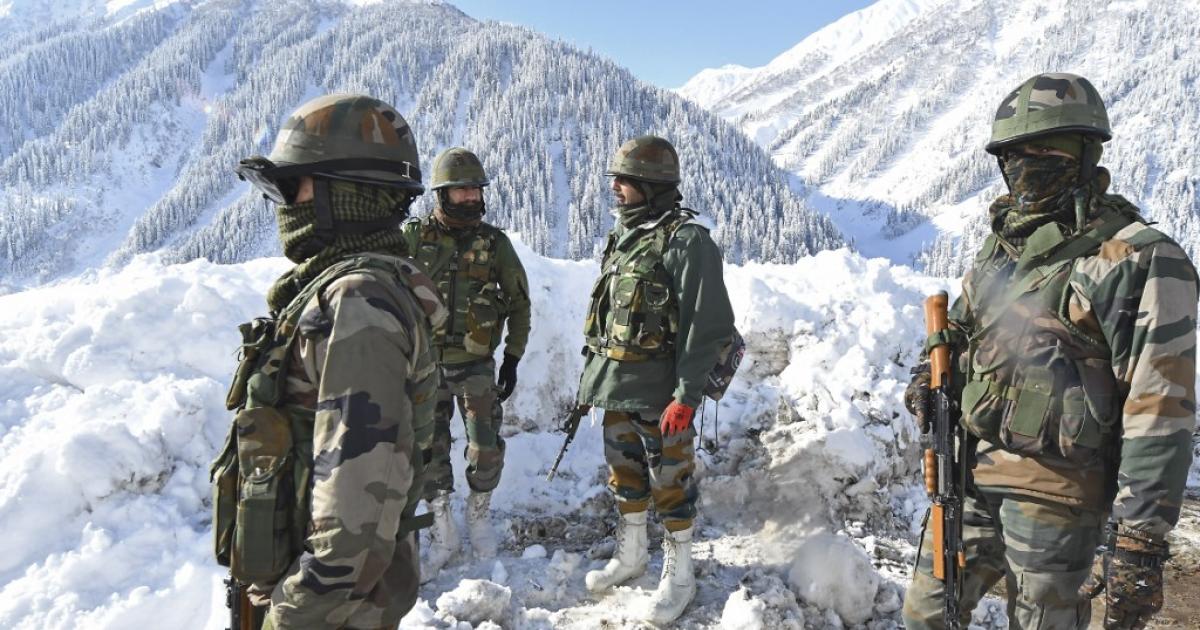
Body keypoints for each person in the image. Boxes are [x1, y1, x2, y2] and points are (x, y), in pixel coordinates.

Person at [902, 73, 1197, 630]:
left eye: (1046, 150)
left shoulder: (1137, 258)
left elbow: (1160, 406)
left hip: (1059, 495)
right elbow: (959, 328)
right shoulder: (1005, 244)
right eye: (1014, 155)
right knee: (925, 615)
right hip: (969, 474)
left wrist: (1140, 541)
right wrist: (927, 372)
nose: (1026, 165)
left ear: (1086, 153)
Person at [215, 93, 445, 629]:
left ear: (343, 194)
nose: (282, 205)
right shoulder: (342, 289)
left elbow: (356, 522)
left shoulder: (359, 301)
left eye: (290, 187)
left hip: (327, 608)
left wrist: (292, 614)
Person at [576, 135, 735, 624]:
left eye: (625, 180)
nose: (616, 188)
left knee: (671, 483)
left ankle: (680, 574)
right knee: (624, 475)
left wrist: (686, 397)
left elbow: (706, 326)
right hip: (617, 388)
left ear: (651, 185)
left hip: (662, 396)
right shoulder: (626, 236)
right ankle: (631, 555)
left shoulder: (687, 241)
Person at [401, 147, 531, 574]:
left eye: (476, 189)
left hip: (475, 366)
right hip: (424, 366)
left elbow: (519, 303)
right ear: (442, 194)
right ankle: (442, 528)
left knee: (486, 447)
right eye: (462, 190)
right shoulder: (415, 239)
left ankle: (478, 515)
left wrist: (512, 359)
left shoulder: (494, 244)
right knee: (428, 450)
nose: (472, 196)